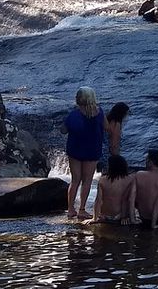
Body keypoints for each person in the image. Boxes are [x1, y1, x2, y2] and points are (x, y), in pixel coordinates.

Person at [62, 87, 105, 220]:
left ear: (78, 99)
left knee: (75, 180)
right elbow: (107, 127)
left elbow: (63, 130)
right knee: (87, 180)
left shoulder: (73, 115)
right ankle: (82, 210)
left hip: (75, 149)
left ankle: (70, 209)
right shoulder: (99, 113)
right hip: (92, 150)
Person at [87, 155, 138, 225]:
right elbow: (131, 200)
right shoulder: (130, 179)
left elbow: (98, 200)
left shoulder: (102, 180)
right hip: (121, 215)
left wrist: (94, 218)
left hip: (105, 215)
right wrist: (131, 219)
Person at [102, 102, 129, 172]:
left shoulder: (107, 121)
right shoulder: (116, 124)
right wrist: (117, 158)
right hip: (108, 154)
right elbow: (114, 143)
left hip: (101, 151)